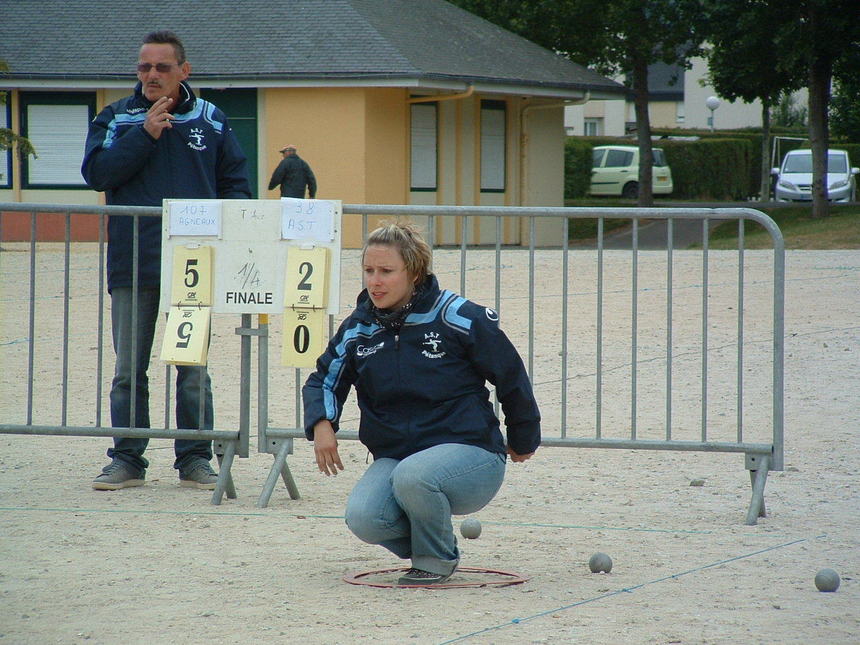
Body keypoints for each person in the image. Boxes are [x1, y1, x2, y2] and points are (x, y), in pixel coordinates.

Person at [302, 222, 541, 586]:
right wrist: (322, 424)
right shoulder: (358, 326)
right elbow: (323, 378)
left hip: (470, 453)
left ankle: (436, 559)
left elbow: (510, 374)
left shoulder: (458, 316)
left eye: (386, 271)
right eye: (369, 271)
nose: (374, 281)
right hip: (398, 456)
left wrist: (523, 437)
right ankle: (432, 544)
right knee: (364, 517)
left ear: (413, 273)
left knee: (415, 476)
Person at [81, 30, 251, 491]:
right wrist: (145, 134)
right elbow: (98, 174)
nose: (151, 75)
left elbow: (235, 181)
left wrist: (232, 233)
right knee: (128, 369)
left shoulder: (211, 118)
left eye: (161, 67)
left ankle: (194, 456)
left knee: (192, 367)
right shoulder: (117, 117)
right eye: (144, 67)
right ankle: (128, 459)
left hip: (193, 268)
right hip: (133, 263)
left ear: (183, 71)